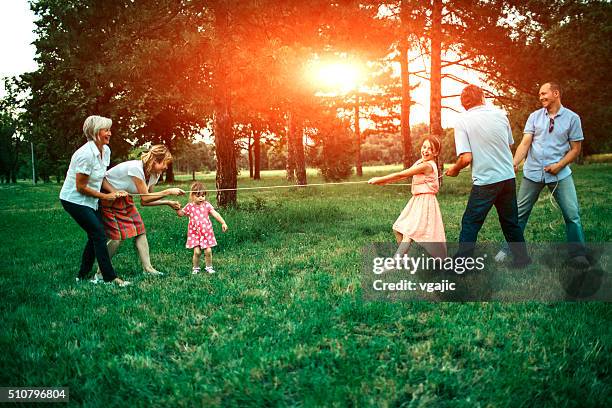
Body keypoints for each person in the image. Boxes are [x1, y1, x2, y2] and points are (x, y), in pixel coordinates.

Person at [495, 82, 588, 268]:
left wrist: (559, 165)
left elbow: (575, 149)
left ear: (556, 93)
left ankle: (578, 255)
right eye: (539, 94)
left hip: (560, 174)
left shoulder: (572, 118)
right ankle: (507, 250)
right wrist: (514, 163)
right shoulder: (534, 117)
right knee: (519, 214)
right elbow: (525, 143)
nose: (541, 97)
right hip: (532, 173)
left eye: (544, 93)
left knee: (572, 214)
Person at [445, 84, 530, 266]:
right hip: (507, 178)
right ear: (482, 97)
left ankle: (461, 265)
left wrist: (454, 169)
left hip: (486, 182)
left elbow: (466, 158)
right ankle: (522, 259)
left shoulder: (462, 121)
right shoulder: (500, 115)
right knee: (510, 222)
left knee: (470, 222)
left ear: (464, 104)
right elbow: (508, 146)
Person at [94, 144, 185, 280]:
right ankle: (100, 273)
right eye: (165, 163)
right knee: (117, 237)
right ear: (155, 161)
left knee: (140, 230)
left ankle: (148, 269)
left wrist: (168, 203)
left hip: (124, 197)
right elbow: (146, 197)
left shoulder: (155, 174)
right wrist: (168, 191)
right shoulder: (136, 169)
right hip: (109, 196)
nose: (166, 167)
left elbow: (145, 201)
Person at [59, 115, 131, 286]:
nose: (110, 133)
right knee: (99, 234)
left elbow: (100, 178)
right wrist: (106, 197)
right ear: (96, 132)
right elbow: (81, 187)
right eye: (106, 130)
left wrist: (115, 192)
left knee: (95, 235)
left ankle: (82, 275)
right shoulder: (84, 154)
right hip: (74, 200)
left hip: (89, 200)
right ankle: (109, 278)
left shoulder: (105, 151)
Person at [368, 136, 447, 259]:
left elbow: (402, 174)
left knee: (408, 234)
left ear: (436, 153)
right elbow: (405, 173)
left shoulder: (427, 166)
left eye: (430, 149)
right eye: (424, 147)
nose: (425, 150)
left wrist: (380, 179)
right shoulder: (421, 162)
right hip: (417, 200)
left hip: (425, 201)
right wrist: (384, 182)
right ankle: (405, 260)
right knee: (398, 228)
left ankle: (395, 262)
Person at [176, 182, 228, 274]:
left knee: (208, 251)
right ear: (192, 195)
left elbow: (215, 214)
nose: (201, 198)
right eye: (198, 195)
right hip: (194, 233)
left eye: (203, 195)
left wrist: (223, 222)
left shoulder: (206, 205)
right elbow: (181, 214)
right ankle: (195, 268)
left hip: (206, 233)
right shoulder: (190, 206)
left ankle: (209, 267)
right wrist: (177, 208)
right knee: (197, 252)